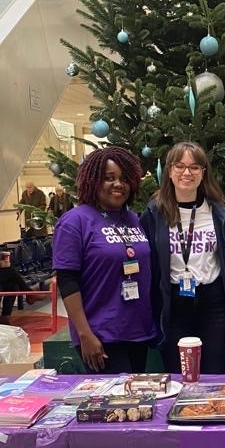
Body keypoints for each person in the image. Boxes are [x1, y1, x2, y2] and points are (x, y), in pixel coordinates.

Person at [140, 141, 225, 374]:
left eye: (194, 167)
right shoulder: (154, 213)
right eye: (179, 166)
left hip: (213, 305)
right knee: (179, 373)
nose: (186, 173)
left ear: (203, 173)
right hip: (173, 306)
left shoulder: (220, 212)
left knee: (213, 373)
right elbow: (145, 264)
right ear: (169, 171)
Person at [52, 147, 157, 373]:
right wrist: (84, 334)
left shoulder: (132, 218)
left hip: (137, 330)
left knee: (135, 400)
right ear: (93, 181)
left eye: (124, 178)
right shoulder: (74, 222)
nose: (118, 184)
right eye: (109, 178)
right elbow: (67, 280)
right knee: (116, 403)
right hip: (100, 334)